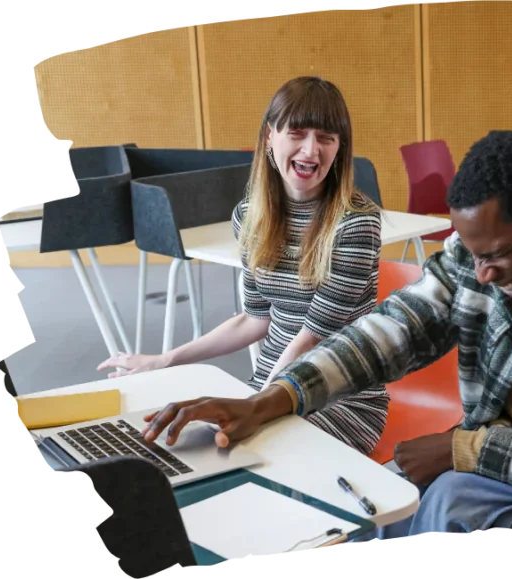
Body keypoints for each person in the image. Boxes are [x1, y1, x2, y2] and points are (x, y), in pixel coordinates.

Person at [140, 129, 512, 533]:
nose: (481, 274)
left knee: (445, 502)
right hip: (497, 461)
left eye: (497, 255)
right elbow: (389, 332)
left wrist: (462, 450)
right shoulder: (478, 259)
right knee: (364, 504)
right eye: (473, 255)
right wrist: (272, 399)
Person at [97, 76, 389, 456]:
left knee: (240, 452)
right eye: (297, 133)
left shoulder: (355, 224)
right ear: (270, 137)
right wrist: (164, 360)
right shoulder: (250, 217)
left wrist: (255, 408)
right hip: (268, 387)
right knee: (178, 444)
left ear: (339, 148)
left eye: (326, 138)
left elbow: (311, 338)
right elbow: (254, 319)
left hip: (340, 396)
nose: (311, 150)